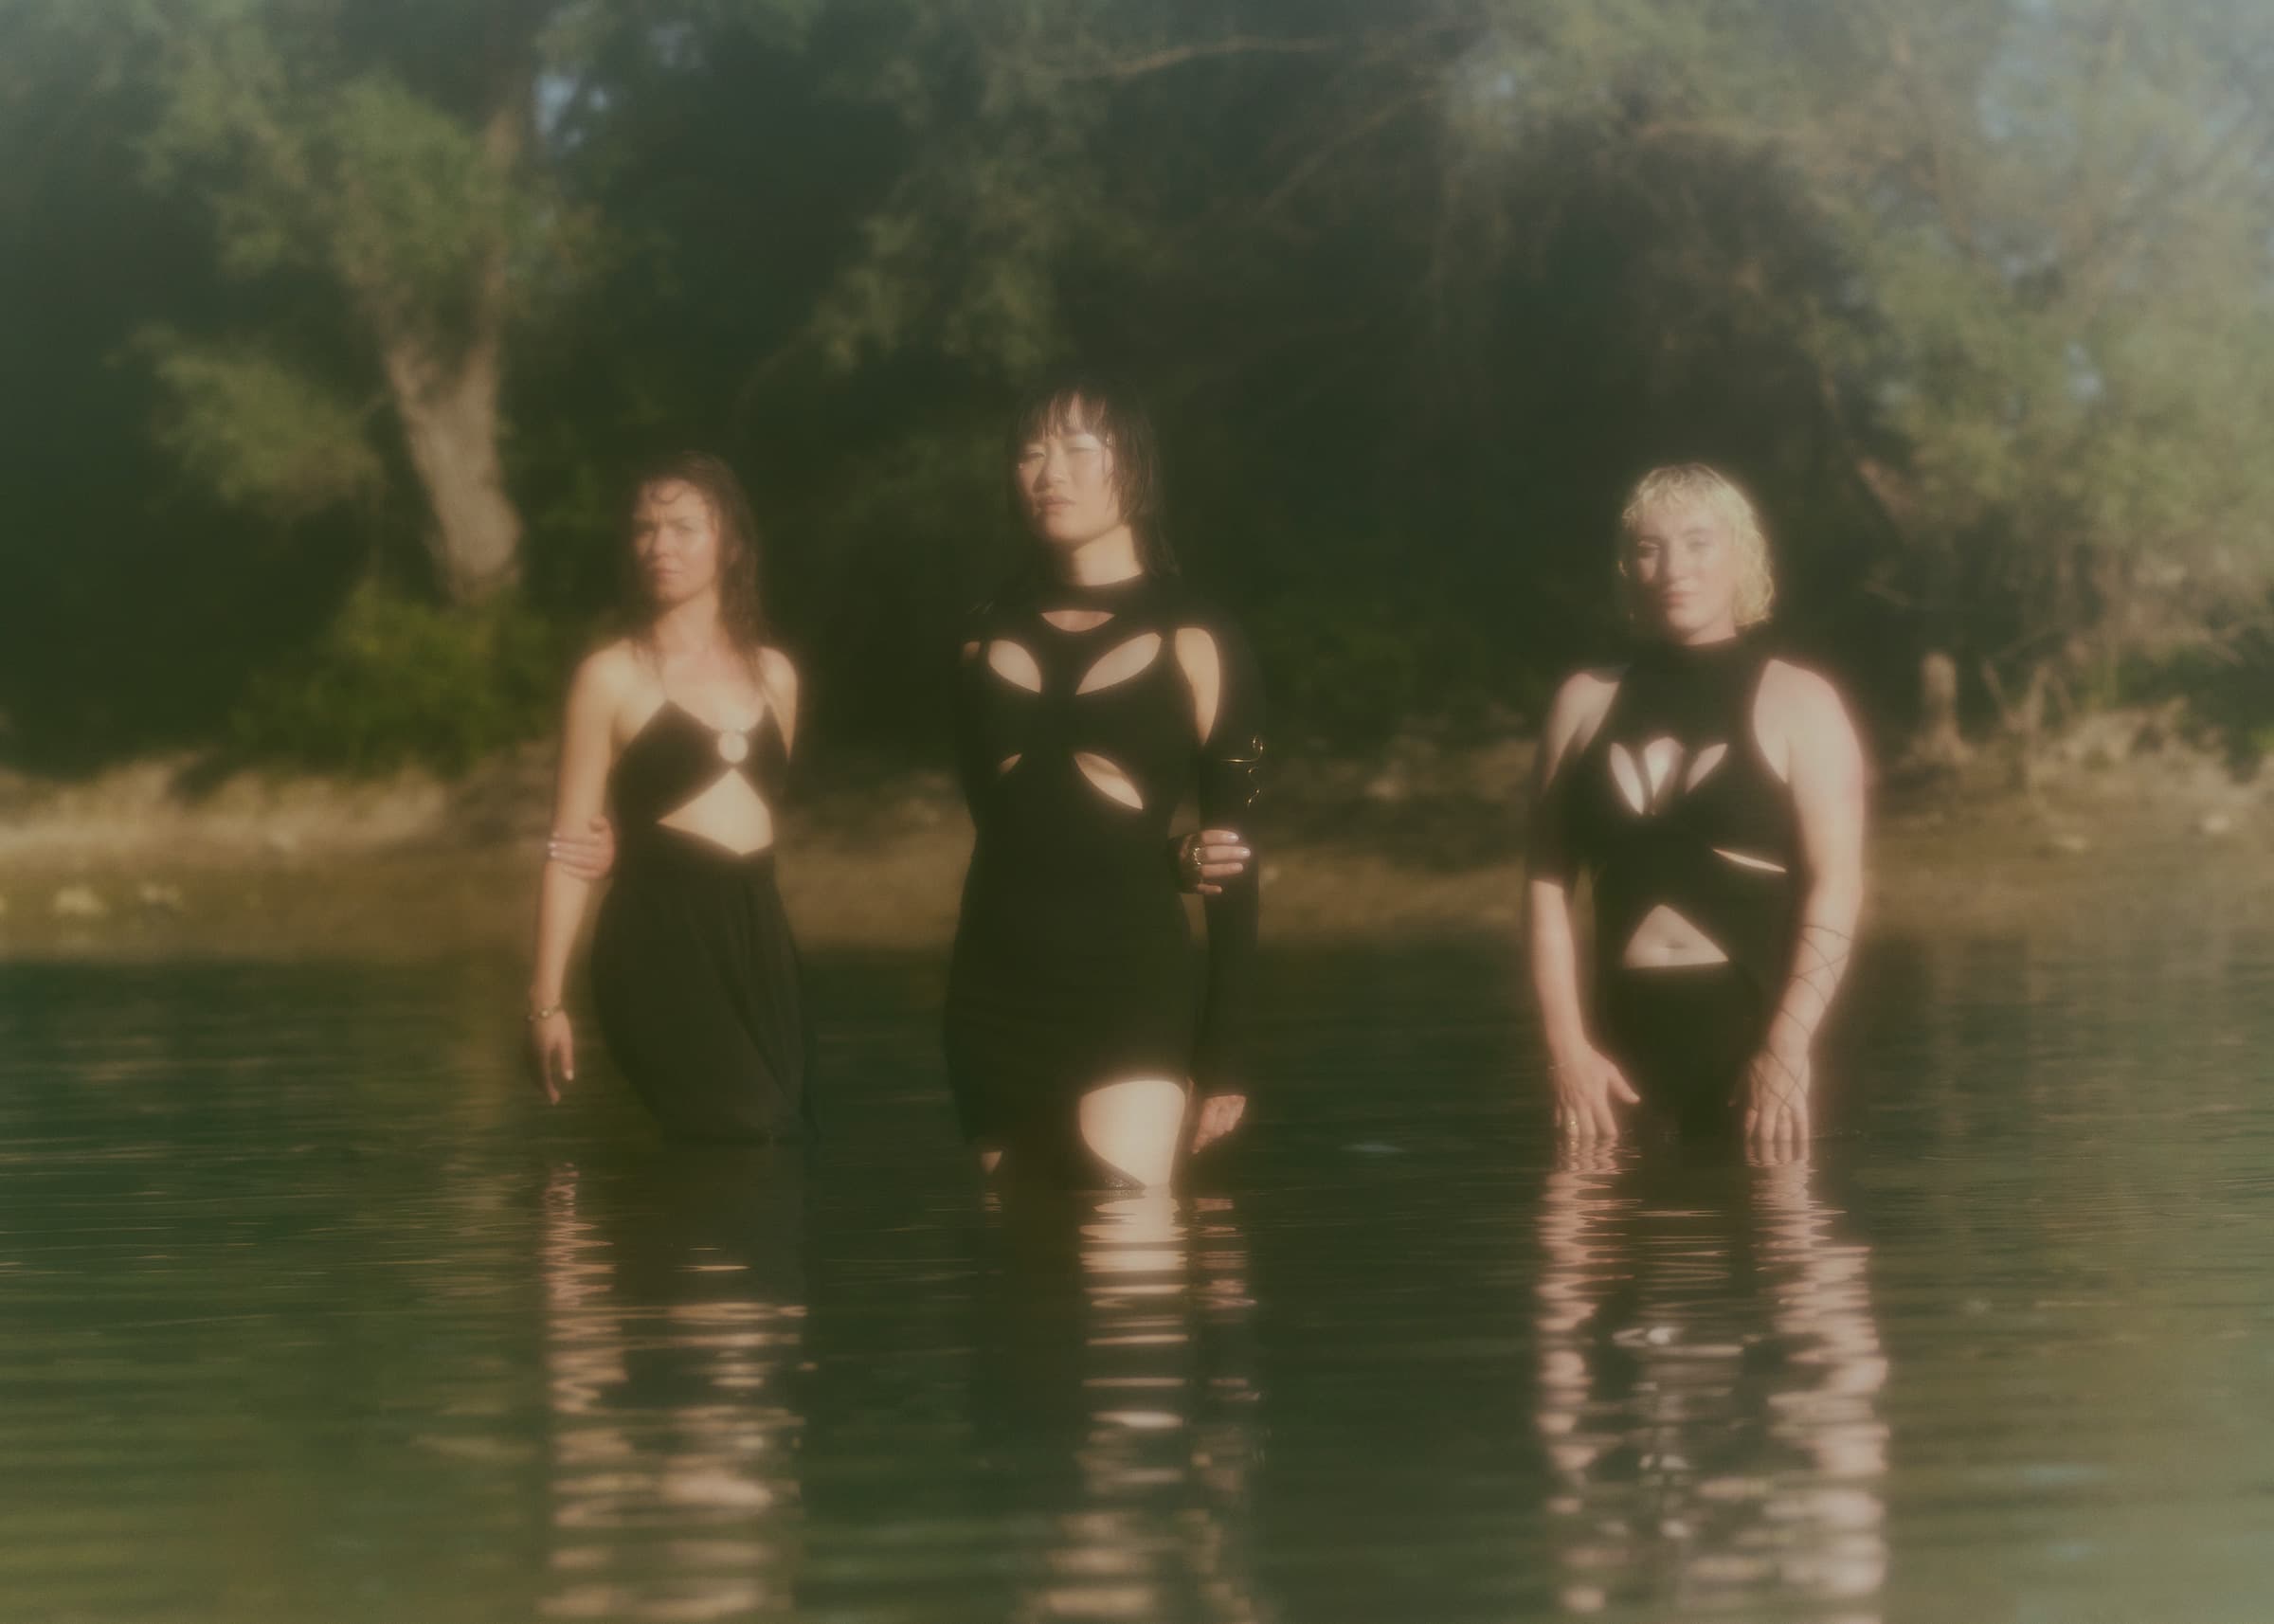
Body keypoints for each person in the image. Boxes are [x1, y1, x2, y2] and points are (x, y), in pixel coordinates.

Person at [947, 373, 1265, 1189]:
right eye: (1030, 452)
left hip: (1132, 987)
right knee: (1021, 1256)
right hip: (993, 991)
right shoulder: (979, 638)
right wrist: (1165, 856)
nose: (1049, 472)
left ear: (1135, 467)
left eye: (1078, 449)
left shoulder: (1200, 636)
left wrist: (1225, 1057)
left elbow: (1235, 864)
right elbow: (1010, 825)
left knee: (1128, 1244)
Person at [1527, 463, 1867, 1157]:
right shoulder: (1582, 701)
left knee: (1781, 1225)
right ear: (1628, 569)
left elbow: (1837, 882)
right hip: (1613, 1059)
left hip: (1760, 1043)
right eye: (1649, 549)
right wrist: (1566, 1051)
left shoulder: (1802, 700)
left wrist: (1787, 1045)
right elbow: (1544, 883)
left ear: (1742, 556)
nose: (1673, 567)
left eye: (1697, 542)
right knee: (1582, 1227)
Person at [526, 452, 811, 1141]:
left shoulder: (776, 676)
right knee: (747, 1131)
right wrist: (545, 1001)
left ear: (732, 545)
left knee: (782, 1145)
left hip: (760, 934)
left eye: (684, 527)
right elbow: (570, 848)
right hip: (656, 937)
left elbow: (751, 814)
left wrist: (628, 841)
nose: (660, 545)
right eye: (644, 528)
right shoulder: (609, 677)